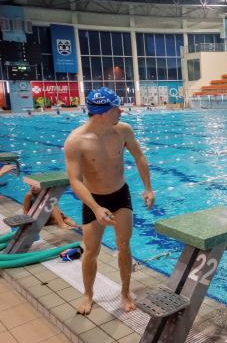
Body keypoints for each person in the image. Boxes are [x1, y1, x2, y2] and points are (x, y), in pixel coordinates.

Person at [64, 87, 155, 315]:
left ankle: (125, 292)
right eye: (117, 107)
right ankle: (88, 294)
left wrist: (148, 188)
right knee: (91, 250)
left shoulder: (123, 131)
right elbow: (75, 181)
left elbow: (139, 156)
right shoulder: (75, 141)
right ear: (103, 112)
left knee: (124, 245)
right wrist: (95, 208)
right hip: (93, 199)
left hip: (119, 194)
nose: (121, 110)